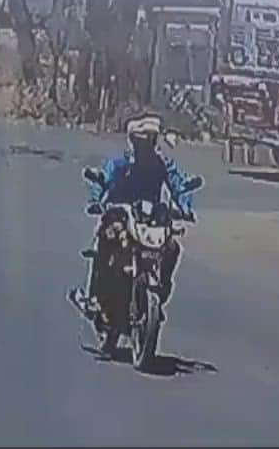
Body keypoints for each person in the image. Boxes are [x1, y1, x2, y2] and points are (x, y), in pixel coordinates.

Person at [70, 114, 200, 319]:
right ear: (134, 141)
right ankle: (94, 297)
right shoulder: (122, 162)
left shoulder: (162, 163)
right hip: (120, 215)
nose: (147, 147)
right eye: (143, 141)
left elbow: (180, 185)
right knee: (107, 238)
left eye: (150, 141)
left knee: (172, 248)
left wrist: (185, 207)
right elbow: (104, 178)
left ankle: (161, 287)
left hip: (150, 220)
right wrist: (97, 201)